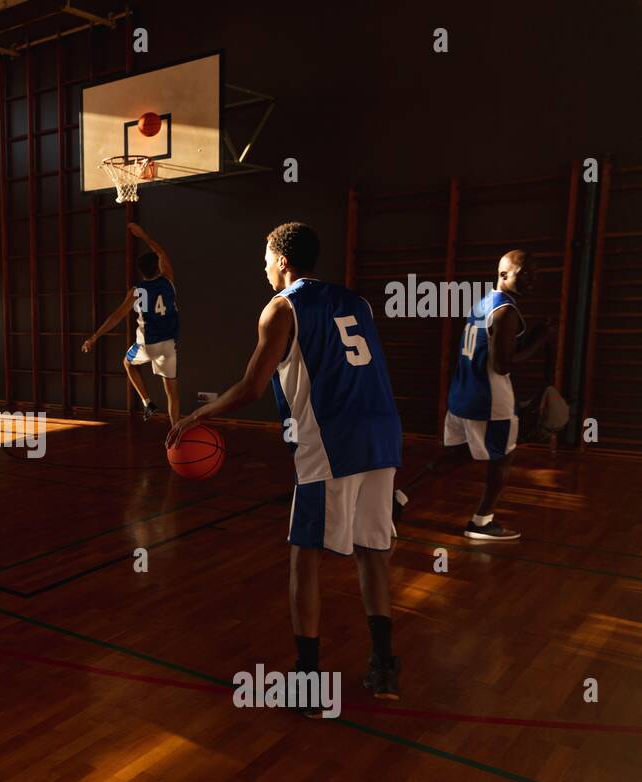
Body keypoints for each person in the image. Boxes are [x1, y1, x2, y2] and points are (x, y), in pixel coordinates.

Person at [167, 223, 404, 707]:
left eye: (265, 258)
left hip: (331, 441)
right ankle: (384, 669)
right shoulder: (356, 303)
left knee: (304, 557)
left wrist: (197, 413)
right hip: (382, 434)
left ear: (282, 261)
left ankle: (309, 681)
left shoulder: (281, 307)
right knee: (371, 551)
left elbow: (252, 387)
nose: (264, 267)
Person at [394, 251, 548, 540]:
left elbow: (490, 347)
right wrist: (538, 341)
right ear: (504, 275)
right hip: (489, 401)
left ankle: (399, 497)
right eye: (524, 273)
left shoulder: (483, 304)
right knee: (503, 457)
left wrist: (529, 338)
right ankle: (482, 522)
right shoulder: (506, 311)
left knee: (456, 456)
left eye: (535, 275)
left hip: (462, 396)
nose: (531, 279)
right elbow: (503, 364)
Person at [83, 223, 180, 422]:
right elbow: (160, 251)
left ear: (141, 272)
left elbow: (117, 316)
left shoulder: (137, 291)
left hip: (149, 345)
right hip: (169, 345)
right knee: (172, 392)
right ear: (159, 267)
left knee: (127, 363)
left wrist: (94, 337)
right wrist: (144, 235)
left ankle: (148, 403)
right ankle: (175, 432)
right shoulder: (168, 280)